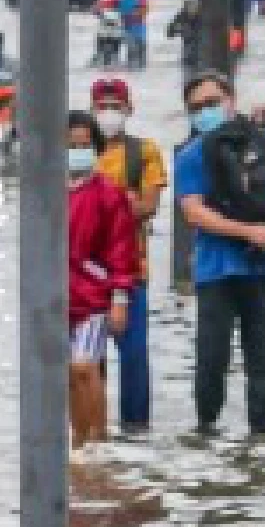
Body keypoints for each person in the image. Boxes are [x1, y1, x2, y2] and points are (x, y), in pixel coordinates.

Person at [175, 71, 265, 437]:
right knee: (212, 360)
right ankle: (206, 433)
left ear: (231, 99)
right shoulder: (193, 153)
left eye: (212, 102)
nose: (205, 111)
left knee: (262, 362)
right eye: (196, 107)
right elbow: (193, 211)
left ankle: (261, 441)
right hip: (216, 271)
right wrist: (248, 232)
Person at [91, 78, 168, 434]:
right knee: (88, 362)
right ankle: (92, 433)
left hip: (132, 268)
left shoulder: (144, 152)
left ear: (129, 109)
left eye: (115, 106)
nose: (109, 113)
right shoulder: (78, 152)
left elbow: (149, 206)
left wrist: (98, 207)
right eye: (102, 106)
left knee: (134, 357)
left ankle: (136, 434)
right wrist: (125, 203)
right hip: (84, 273)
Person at [65, 111, 139, 451]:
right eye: (70, 145)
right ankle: (78, 442)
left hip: (94, 296)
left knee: (84, 367)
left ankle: (97, 441)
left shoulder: (108, 194)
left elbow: (122, 250)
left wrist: (120, 300)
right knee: (69, 375)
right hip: (56, 299)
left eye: (84, 144)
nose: (78, 150)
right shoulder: (44, 191)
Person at [114, 0, 149, 70]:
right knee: (130, 46)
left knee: (139, 45)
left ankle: (140, 65)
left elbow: (144, 8)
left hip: (138, 25)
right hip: (124, 25)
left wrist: (137, 13)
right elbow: (107, 2)